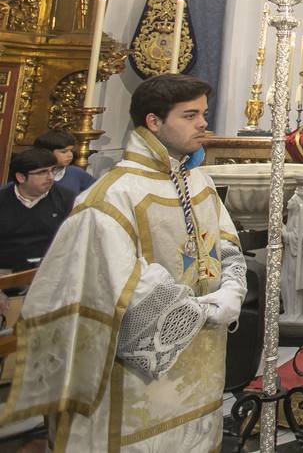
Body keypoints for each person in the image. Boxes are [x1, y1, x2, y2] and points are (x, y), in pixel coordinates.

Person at [1, 75, 246, 449]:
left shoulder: (200, 183)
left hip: (202, 370)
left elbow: (224, 243)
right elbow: (117, 282)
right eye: (190, 115)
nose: (203, 124)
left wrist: (231, 289)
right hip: (134, 387)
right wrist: (199, 312)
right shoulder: (112, 195)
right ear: (153, 122)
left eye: (203, 114)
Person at [0, 148, 75, 271]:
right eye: (42, 172)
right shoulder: (2, 199)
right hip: (5, 270)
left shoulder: (67, 199)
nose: (50, 177)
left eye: (53, 171)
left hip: (50, 270)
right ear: (21, 177)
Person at [33, 129, 95, 195]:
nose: (70, 155)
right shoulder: (33, 174)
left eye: (71, 150)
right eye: (64, 152)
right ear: (47, 152)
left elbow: (97, 190)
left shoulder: (75, 172)